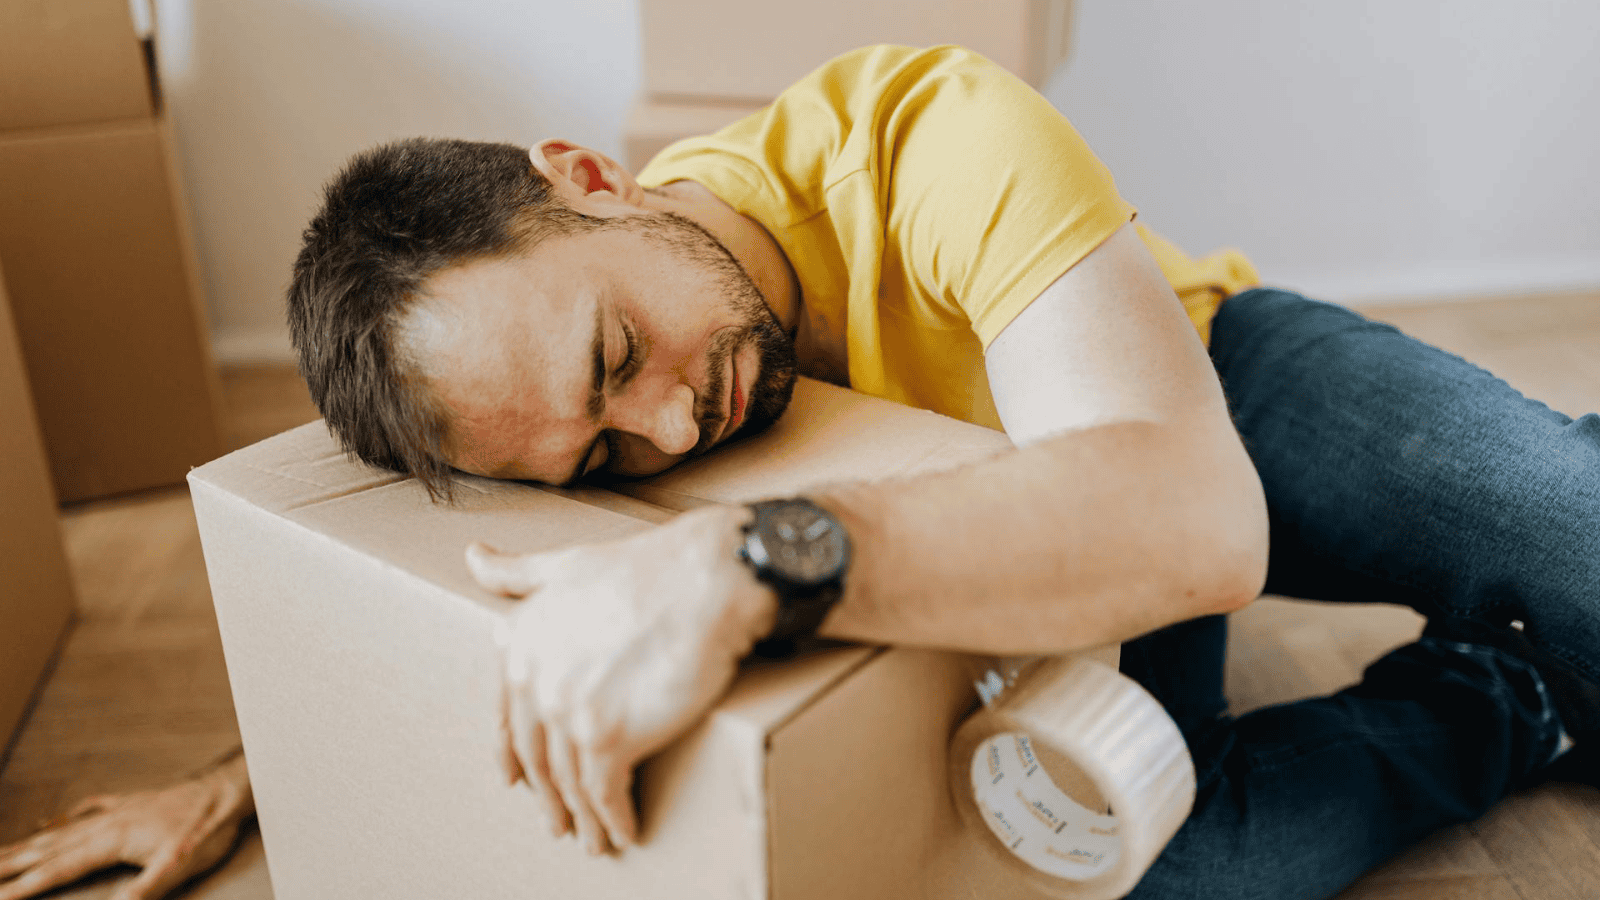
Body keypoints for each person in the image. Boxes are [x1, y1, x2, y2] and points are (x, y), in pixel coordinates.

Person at [4, 43, 1596, 900]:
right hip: (1027, 585)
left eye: (619, 359)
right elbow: (452, 608)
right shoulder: (562, 420)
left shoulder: (926, 130)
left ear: (585, 178)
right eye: (602, 459)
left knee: (1559, 517)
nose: (671, 435)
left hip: (1193, 390)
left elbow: (1191, 517)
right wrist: (253, 772)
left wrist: (734, 560)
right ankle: (1509, 700)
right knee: (1163, 884)